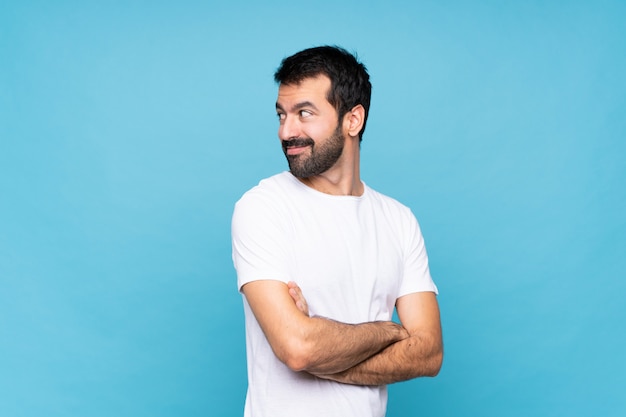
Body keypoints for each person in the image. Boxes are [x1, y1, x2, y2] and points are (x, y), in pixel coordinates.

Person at [231, 45, 443, 417]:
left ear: (353, 120)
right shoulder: (263, 207)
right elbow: (298, 347)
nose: (286, 131)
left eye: (304, 113)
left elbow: (428, 353)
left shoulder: (398, 220)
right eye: (281, 114)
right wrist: (388, 331)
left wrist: (321, 350)